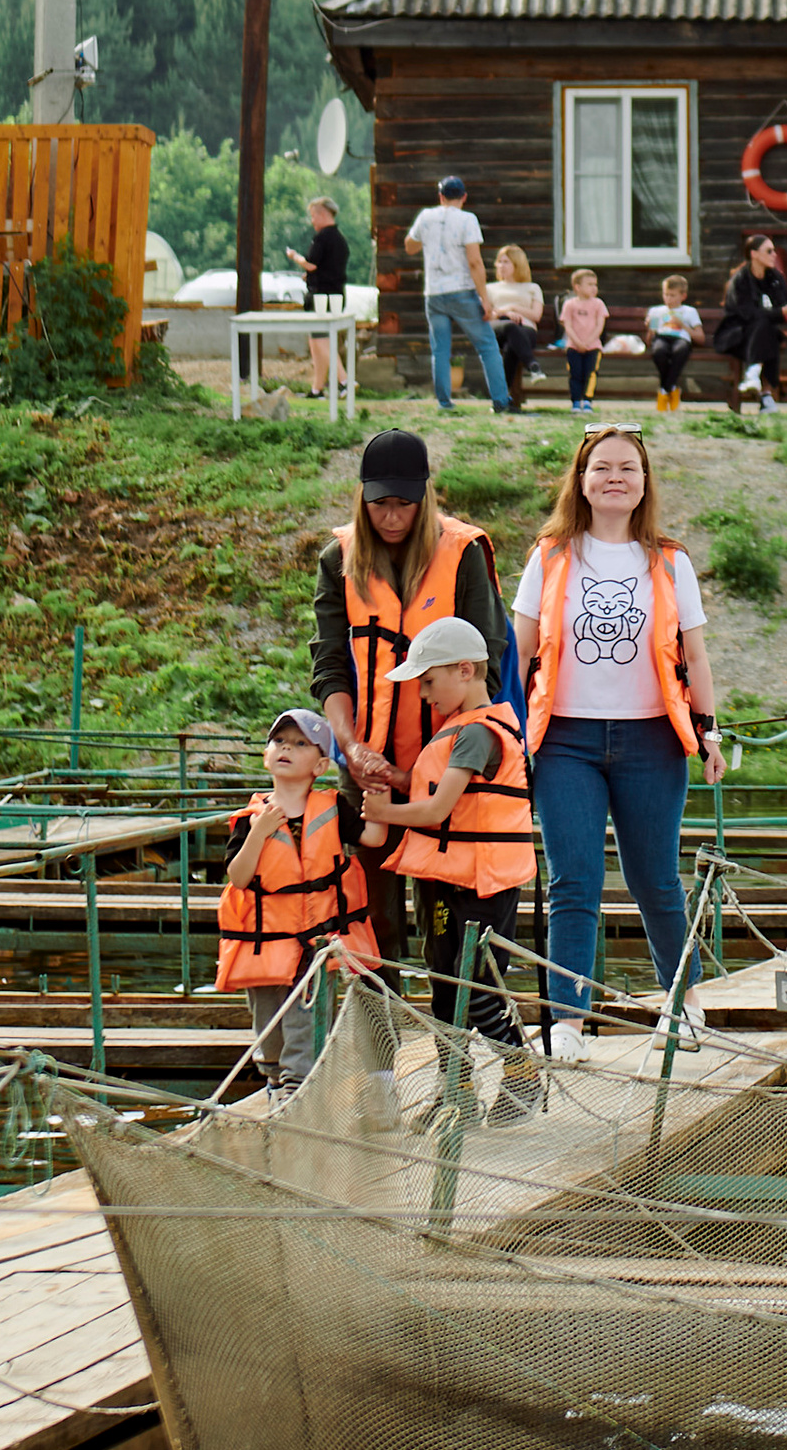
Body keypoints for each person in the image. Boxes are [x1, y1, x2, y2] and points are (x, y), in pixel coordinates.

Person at [512, 428, 723, 1058]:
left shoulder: (670, 560)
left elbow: (695, 655)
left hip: (652, 738)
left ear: (644, 481)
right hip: (566, 740)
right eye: (601, 467)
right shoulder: (550, 555)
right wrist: (509, 731)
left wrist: (709, 730)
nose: (614, 477)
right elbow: (519, 652)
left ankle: (682, 1001)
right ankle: (566, 1022)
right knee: (573, 880)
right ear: (580, 480)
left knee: (654, 877)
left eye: (627, 468)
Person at [311, 428, 507, 969]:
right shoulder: (338, 560)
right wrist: (351, 749)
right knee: (372, 920)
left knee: (447, 920)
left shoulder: (463, 553)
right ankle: (381, 1045)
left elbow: (483, 662)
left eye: (403, 504)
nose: (391, 517)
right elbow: (330, 667)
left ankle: (452, 1047)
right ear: (362, 498)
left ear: (425, 497)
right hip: (367, 767)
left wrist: (425, 771)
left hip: (447, 769)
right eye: (379, 505)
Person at [351, 618, 542, 1126]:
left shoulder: (478, 734)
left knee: (476, 991)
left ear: (465, 670)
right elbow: (433, 795)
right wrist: (395, 782)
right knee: (443, 989)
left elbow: (438, 810)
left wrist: (381, 813)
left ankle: (523, 1080)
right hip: (441, 881)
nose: (425, 694)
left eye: (429, 682)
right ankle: (455, 1090)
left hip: (481, 885)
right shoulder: (456, 734)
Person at [215, 706, 379, 1097]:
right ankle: (275, 1082)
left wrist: (379, 795)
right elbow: (238, 877)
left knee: (304, 1035)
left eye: (300, 744)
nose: (286, 748)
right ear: (266, 754)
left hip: (315, 946)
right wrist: (260, 832)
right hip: (266, 944)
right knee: (270, 1036)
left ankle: (293, 1096)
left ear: (320, 764)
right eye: (279, 741)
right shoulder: (249, 818)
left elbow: (372, 837)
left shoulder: (333, 807)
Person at [404, 172, 511, 414]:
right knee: (487, 346)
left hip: (433, 293)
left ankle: (444, 402)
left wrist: (429, 238)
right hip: (461, 291)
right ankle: (501, 401)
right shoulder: (467, 219)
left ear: (440, 196)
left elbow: (409, 246)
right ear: (464, 197)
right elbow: (474, 261)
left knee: (440, 349)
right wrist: (485, 299)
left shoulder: (425, 216)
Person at [717, 232, 787, 407]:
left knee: (769, 331)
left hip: (761, 334)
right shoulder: (740, 280)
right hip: (738, 334)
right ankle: (764, 391)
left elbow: (783, 302)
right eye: (769, 251)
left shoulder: (772, 278)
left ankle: (756, 379)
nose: (774, 256)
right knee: (765, 327)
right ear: (754, 255)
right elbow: (747, 314)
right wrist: (778, 312)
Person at [285, 194, 353, 395]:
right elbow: (328, 268)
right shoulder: (340, 239)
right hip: (336, 295)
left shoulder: (322, 237)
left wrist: (294, 256)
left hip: (321, 297)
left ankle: (345, 380)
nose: (312, 221)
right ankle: (317, 388)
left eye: (314, 216)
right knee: (316, 341)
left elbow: (312, 263)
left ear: (323, 214)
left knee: (321, 341)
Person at [486, 244, 545, 409]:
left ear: (517, 264)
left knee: (513, 345)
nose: (501, 265)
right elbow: (487, 314)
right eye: (499, 262)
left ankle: (502, 401)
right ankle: (533, 366)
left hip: (526, 330)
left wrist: (514, 308)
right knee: (510, 327)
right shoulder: (490, 288)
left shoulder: (532, 288)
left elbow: (536, 315)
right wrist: (505, 313)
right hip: (498, 328)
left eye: (506, 262)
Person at [646, 270, 703, 417]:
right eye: (666, 294)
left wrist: (683, 325)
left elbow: (700, 337)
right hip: (661, 338)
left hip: (681, 338)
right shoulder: (656, 311)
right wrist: (649, 327)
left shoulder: (689, 312)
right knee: (659, 352)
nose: (668, 299)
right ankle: (671, 388)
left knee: (680, 351)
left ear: (683, 296)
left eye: (672, 295)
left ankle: (664, 390)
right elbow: (649, 339)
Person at [559, 267, 609, 413]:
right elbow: (567, 324)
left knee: (591, 373)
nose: (594, 288)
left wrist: (588, 342)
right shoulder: (569, 304)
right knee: (575, 373)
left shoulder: (598, 304)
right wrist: (577, 342)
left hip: (593, 346)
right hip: (573, 346)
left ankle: (587, 401)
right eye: (590, 284)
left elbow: (600, 325)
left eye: (595, 284)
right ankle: (575, 401)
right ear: (577, 287)